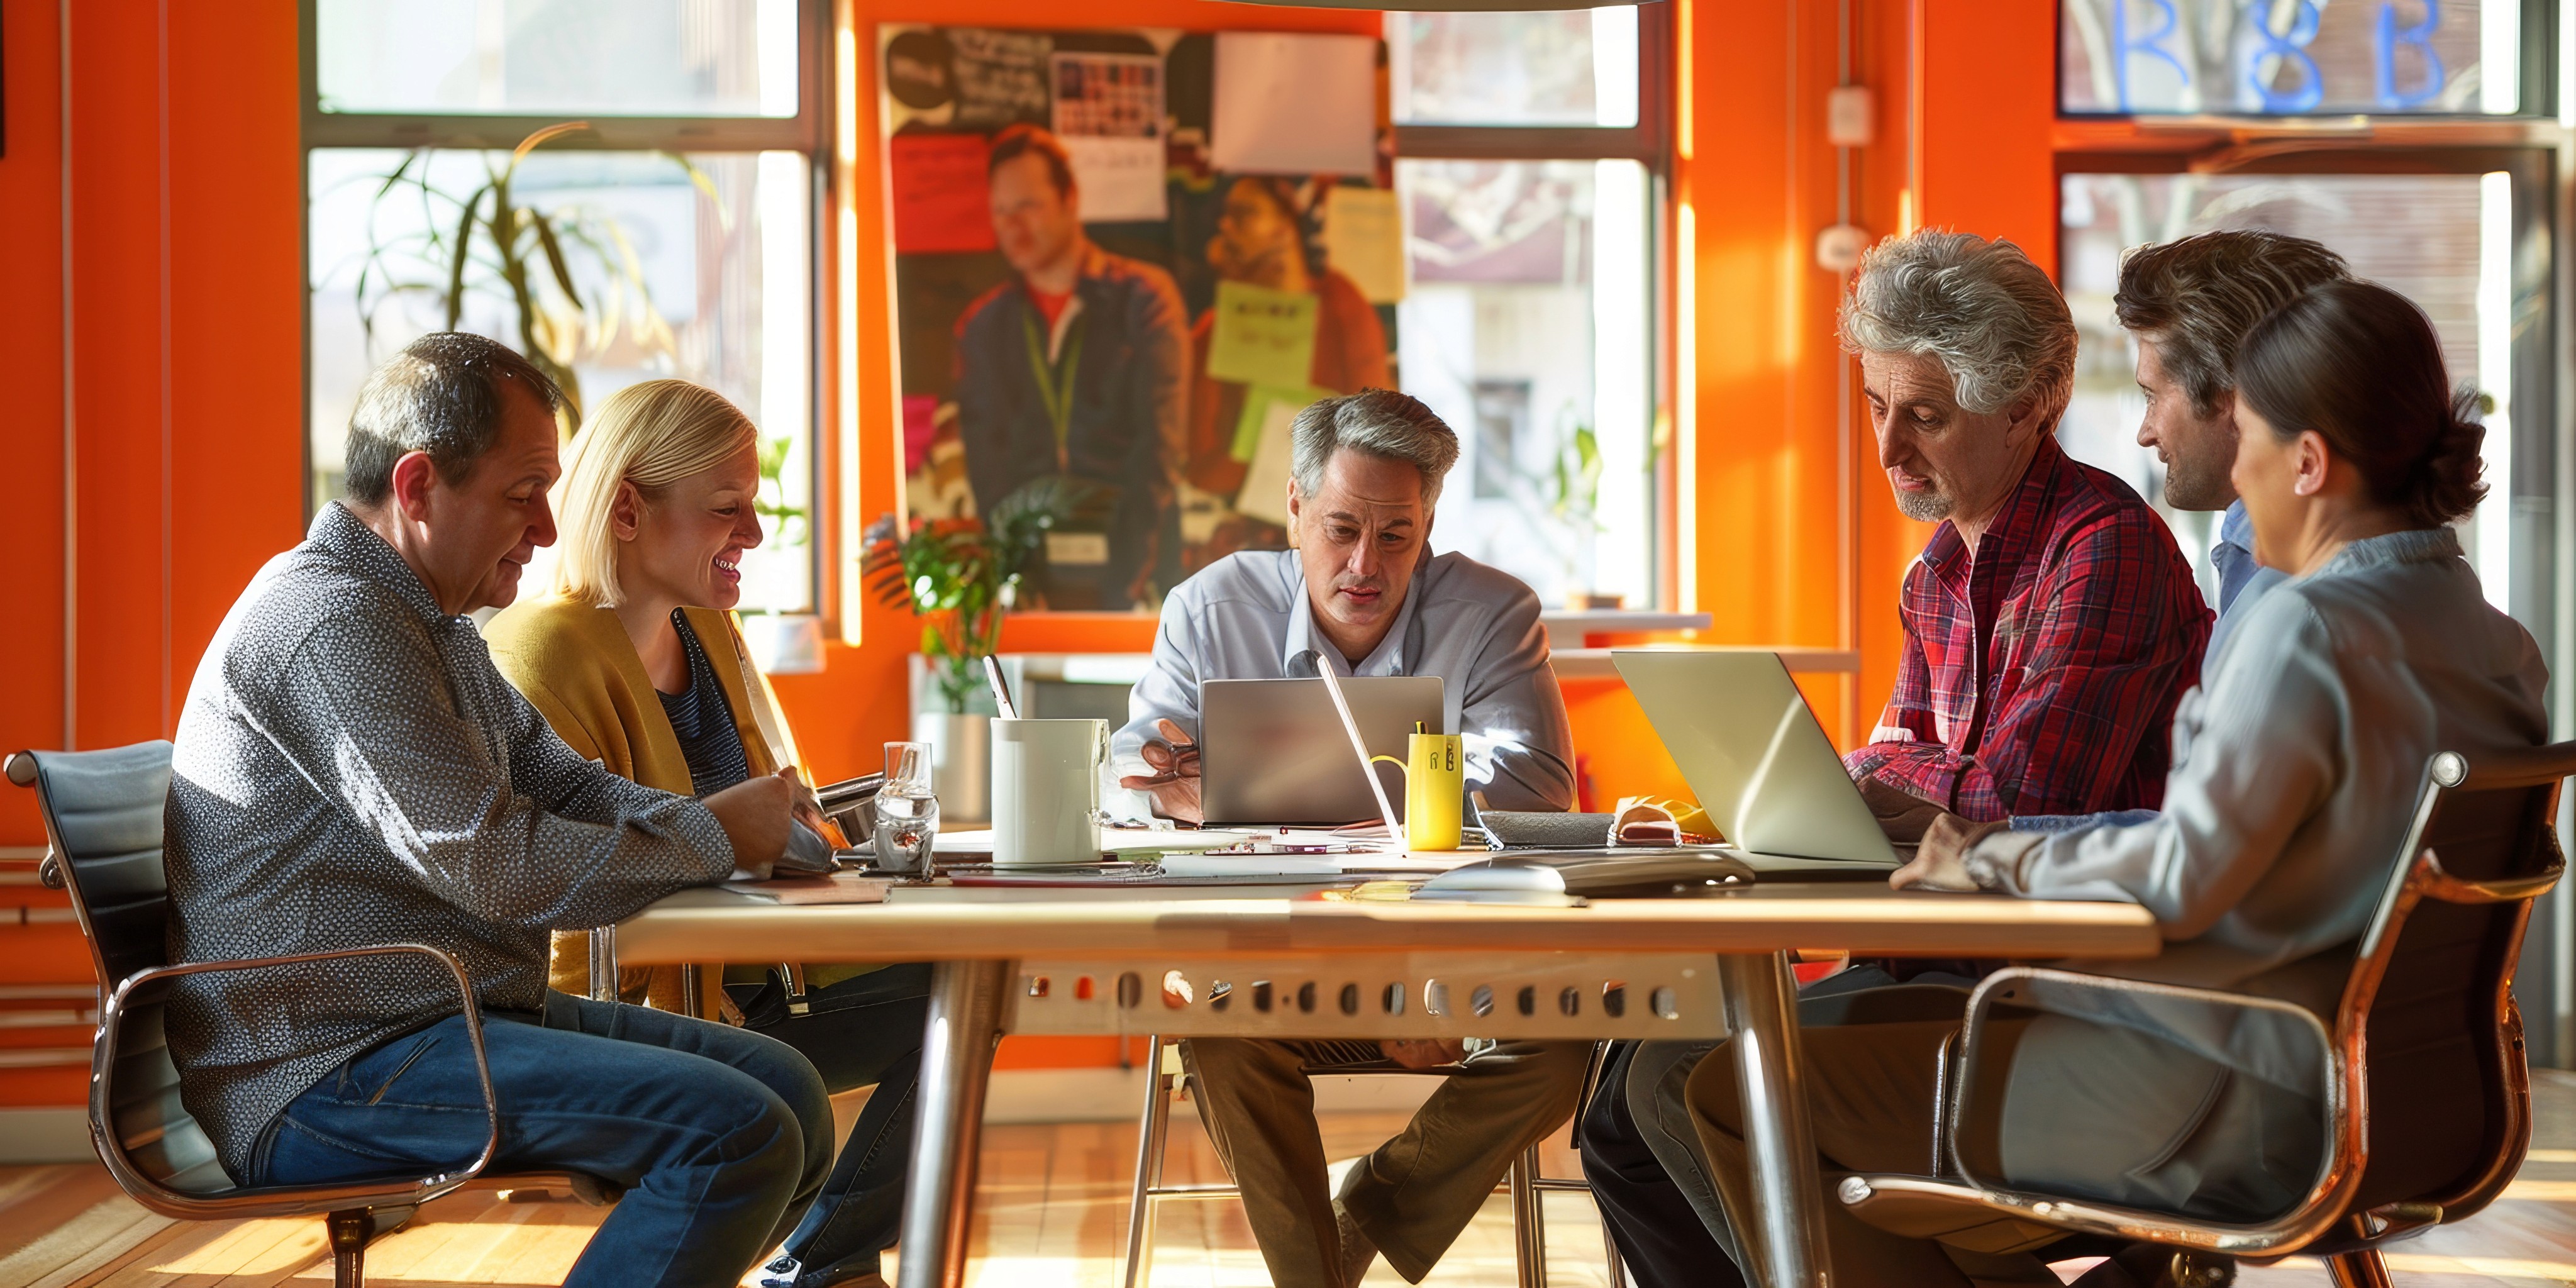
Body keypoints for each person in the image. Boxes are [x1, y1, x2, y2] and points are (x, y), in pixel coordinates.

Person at [1680, 275, 2544, 1287]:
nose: (2232, 472)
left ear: (2308, 464)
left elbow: (2181, 872)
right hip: (2411, 1101)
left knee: (1739, 1091)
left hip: (2226, 1094)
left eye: (2249, 436)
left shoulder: (2305, 632)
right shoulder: (2498, 644)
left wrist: (1987, 856)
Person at [1580, 230, 2213, 1285]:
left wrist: (1873, 779)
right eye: (1875, 403)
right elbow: (1901, 784)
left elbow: (2013, 801)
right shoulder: (1935, 576)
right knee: (1619, 1105)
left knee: (1670, 1085)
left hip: (2053, 990)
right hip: (1930, 958)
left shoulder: (2104, 546)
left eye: (1925, 413)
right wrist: (1817, 794)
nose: (1886, 445)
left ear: (2027, 404)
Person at [163, 334, 831, 1288]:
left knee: (789, 1094)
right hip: (327, 1069)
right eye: (525, 494)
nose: (552, 528)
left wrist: (714, 820)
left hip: (434, 1018)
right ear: (421, 485)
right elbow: (498, 867)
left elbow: (564, 784)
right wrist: (714, 833)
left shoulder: (426, 620)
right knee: (740, 1131)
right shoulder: (334, 623)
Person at [1113, 389, 1587, 1288]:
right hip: (1277, 972)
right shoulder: (1210, 610)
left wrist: (1259, 795)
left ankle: (1359, 1218)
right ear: (1293, 508)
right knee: (1216, 1034)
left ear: (1430, 521)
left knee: (1567, 1047)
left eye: (1397, 536)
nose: (1365, 564)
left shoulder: (1493, 614)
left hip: (1465, 967)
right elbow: (1138, 785)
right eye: (1340, 529)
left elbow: (1535, 794)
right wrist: (1163, 790)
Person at [484, 379, 930, 1288]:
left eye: (754, 507)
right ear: (626, 511)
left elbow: (771, 814)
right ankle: (826, 1262)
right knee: (944, 1004)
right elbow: (566, 891)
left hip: (756, 980)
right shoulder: (540, 649)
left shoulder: (708, 627)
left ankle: (824, 1262)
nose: (757, 536)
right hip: (637, 1013)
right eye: (728, 509)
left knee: (964, 991)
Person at [953, 123, 1190, 609]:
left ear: (1070, 199)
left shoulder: (1144, 299)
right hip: (1031, 586)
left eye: (1028, 206)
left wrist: (1126, 580)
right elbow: (989, 471)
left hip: (1141, 579)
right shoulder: (984, 326)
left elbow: (1160, 449)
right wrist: (1012, 576)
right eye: (1001, 211)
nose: (1013, 225)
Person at [1184, 177, 1389, 536]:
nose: (1226, 226)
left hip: (1334, 514)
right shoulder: (1214, 329)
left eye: (1245, 214)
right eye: (1225, 216)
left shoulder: (1340, 303)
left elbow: (1376, 418)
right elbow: (1202, 460)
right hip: (1239, 522)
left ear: (1285, 226)